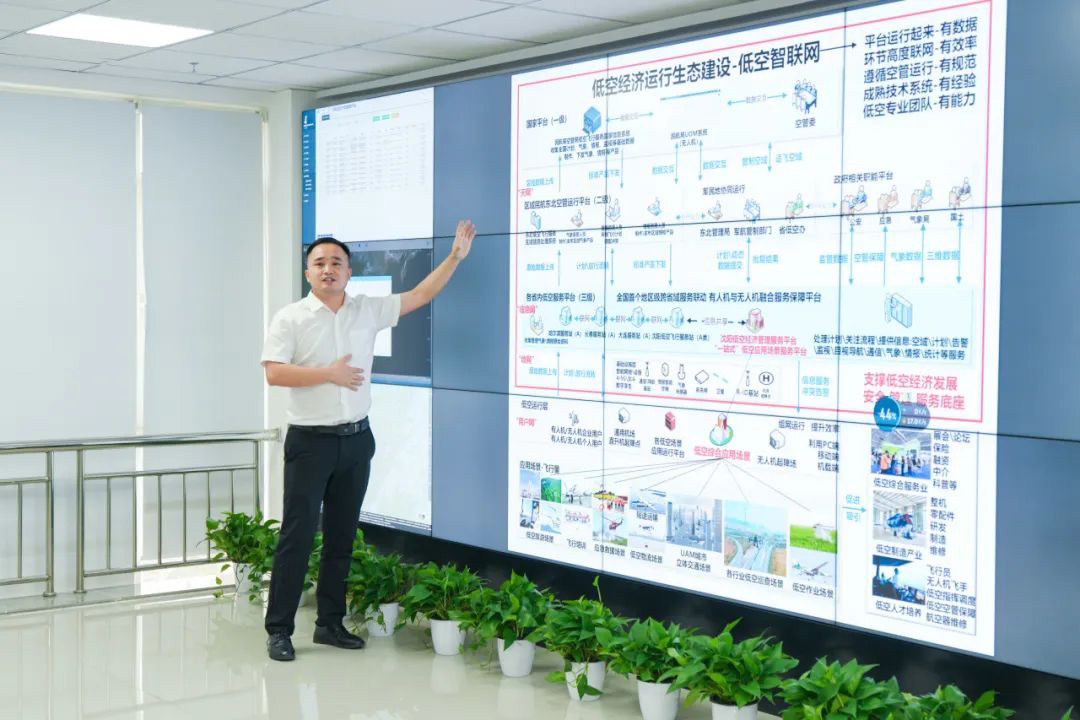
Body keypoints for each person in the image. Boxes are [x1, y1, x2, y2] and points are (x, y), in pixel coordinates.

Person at [260, 221, 476, 662]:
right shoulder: (291, 318)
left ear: (349, 272)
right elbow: (275, 373)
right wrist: (329, 373)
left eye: (336, 262)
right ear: (307, 272)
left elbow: (420, 295)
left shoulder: (366, 310)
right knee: (297, 538)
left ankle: (329, 624)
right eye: (320, 263)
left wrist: (454, 257)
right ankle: (279, 629)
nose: (328, 269)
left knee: (342, 537)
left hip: (356, 440)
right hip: (310, 443)